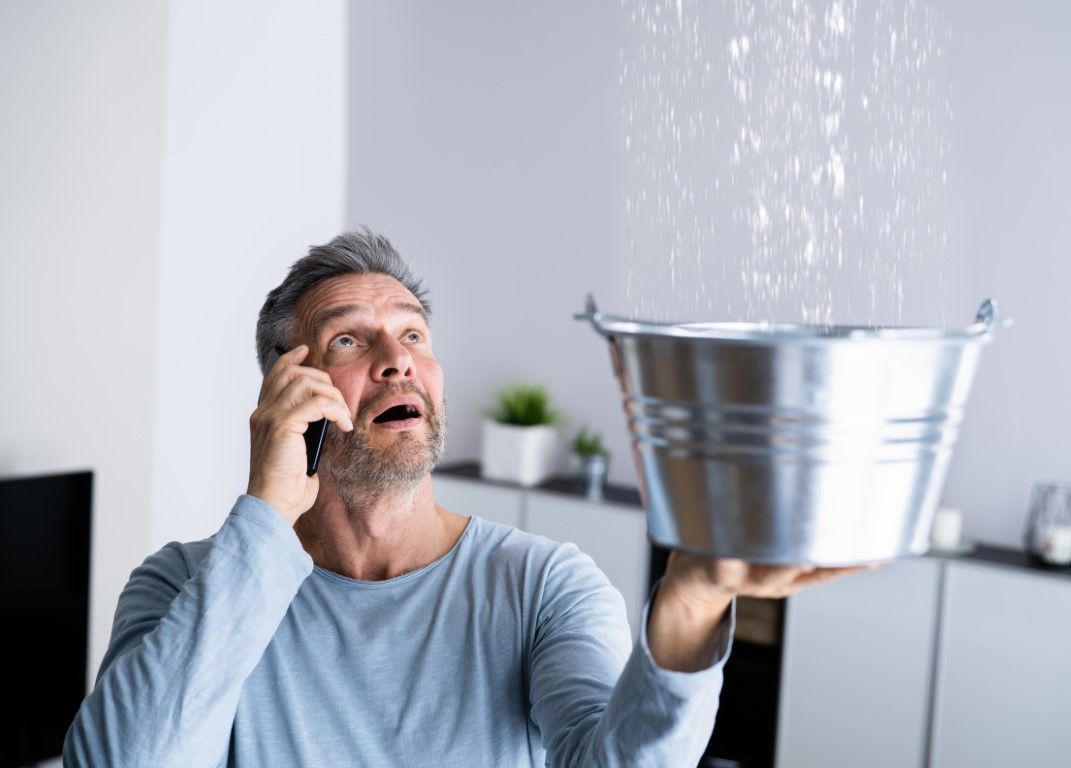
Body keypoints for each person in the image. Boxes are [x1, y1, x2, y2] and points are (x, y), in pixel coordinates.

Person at [63, 229, 861, 767]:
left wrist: (687, 604)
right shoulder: (182, 588)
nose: (397, 360)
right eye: (349, 338)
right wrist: (266, 516)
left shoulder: (544, 585)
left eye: (413, 336)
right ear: (286, 389)